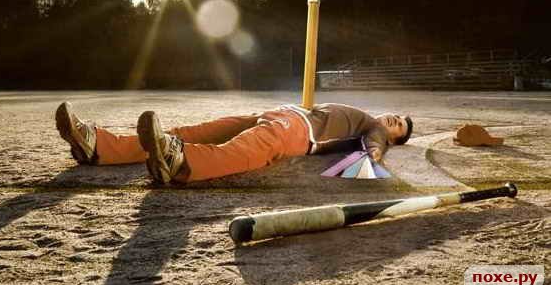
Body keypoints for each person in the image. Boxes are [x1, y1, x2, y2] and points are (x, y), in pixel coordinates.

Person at [55, 102, 413, 184]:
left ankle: (181, 163)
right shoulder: (362, 113)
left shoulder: (372, 128)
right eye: (397, 116)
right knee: (193, 130)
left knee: (247, 149)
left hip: (295, 130)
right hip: (273, 112)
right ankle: (99, 146)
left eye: (401, 126)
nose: (395, 120)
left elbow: (372, 149)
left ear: (395, 136)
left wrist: (377, 158)